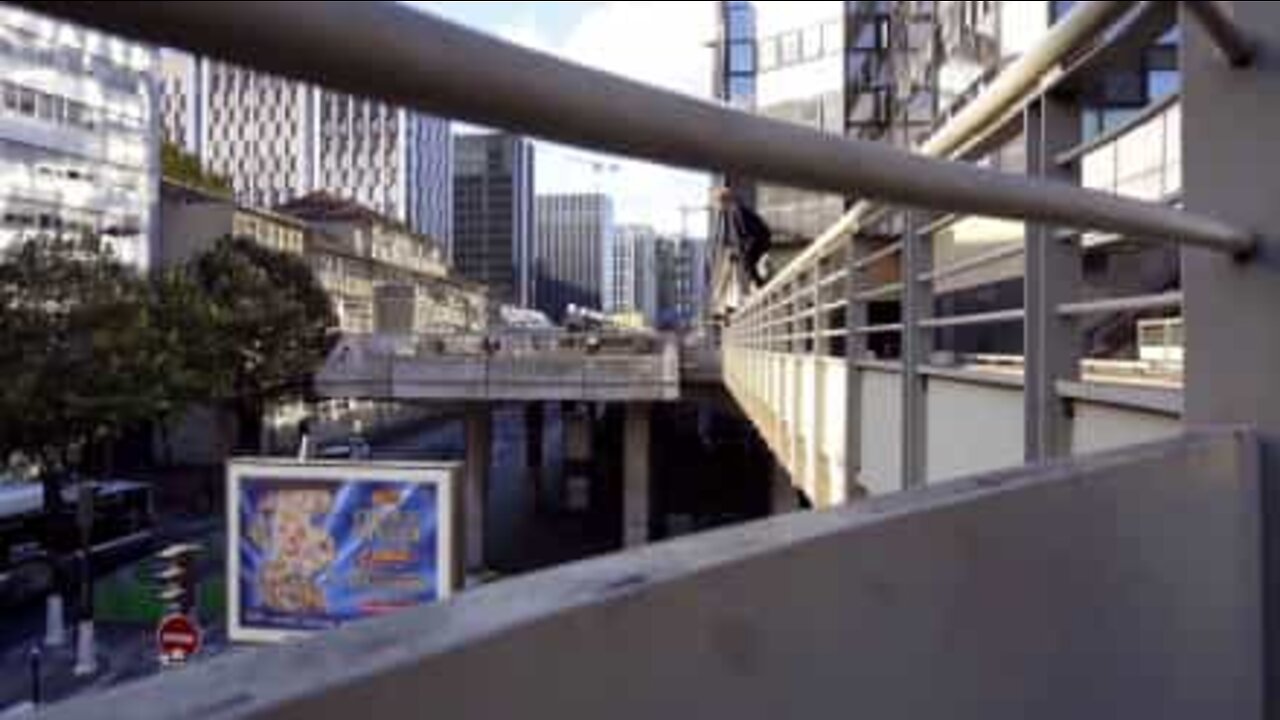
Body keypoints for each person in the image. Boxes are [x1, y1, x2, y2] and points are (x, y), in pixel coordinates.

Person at [714, 187, 772, 287]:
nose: (719, 208)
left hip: (760, 239)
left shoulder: (737, 211)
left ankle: (759, 284)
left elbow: (748, 234)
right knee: (746, 260)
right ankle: (759, 281)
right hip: (761, 238)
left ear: (724, 201)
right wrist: (738, 252)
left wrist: (741, 251)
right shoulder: (735, 210)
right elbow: (743, 237)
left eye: (719, 204)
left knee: (747, 261)